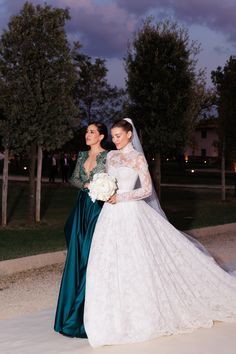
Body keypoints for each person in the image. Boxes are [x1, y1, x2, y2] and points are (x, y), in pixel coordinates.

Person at [84, 118, 236, 348]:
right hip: (110, 215)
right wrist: (101, 188)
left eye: (117, 136)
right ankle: (113, 314)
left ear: (128, 135)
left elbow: (145, 190)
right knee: (109, 261)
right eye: (112, 136)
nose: (114, 140)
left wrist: (121, 196)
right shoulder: (112, 157)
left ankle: (143, 311)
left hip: (131, 213)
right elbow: (107, 178)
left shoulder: (137, 158)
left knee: (137, 261)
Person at [54, 121, 108, 338]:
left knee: (91, 255)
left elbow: (113, 180)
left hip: (98, 209)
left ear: (101, 136)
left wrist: (102, 188)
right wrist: (87, 185)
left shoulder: (108, 157)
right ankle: (70, 310)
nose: (87, 134)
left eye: (92, 132)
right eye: (87, 131)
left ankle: (87, 312)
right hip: (81, 208)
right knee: (76, 254)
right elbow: (74, 179)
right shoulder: (82, 155)